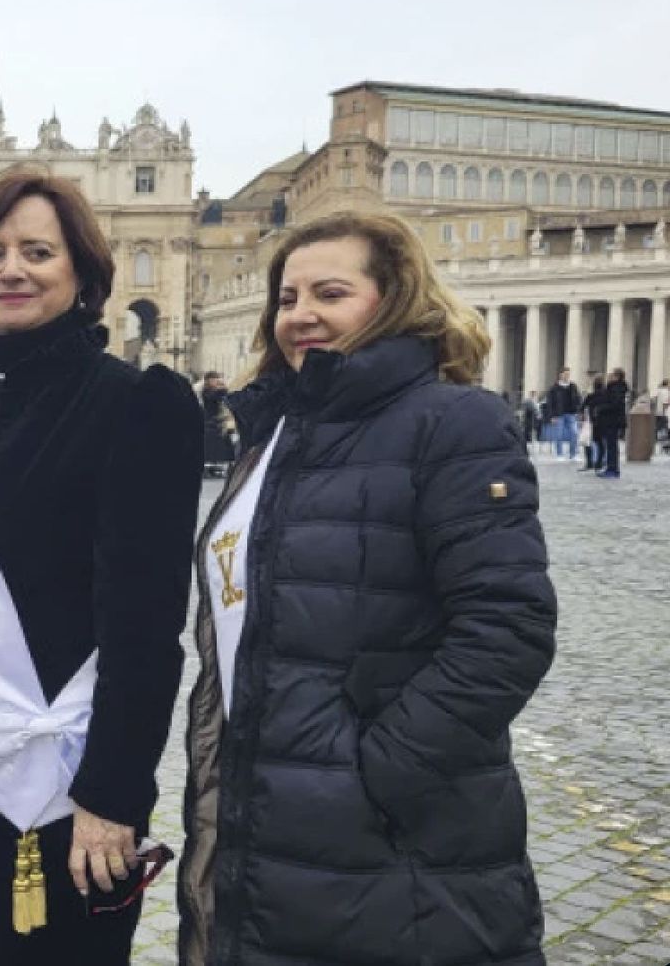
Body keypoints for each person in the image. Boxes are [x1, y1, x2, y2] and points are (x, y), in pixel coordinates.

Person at [178, 211, 556, 964]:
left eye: (331, 293)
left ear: (395, 299)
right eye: (287, 298)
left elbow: (508, 627)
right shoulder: (273, 434)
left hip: (386, 834)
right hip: (263, 811)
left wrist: (375, 774)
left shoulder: (454, 422)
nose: (301, 314)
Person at [0, 170, 200, 963]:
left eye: (37, 251)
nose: (11, 270)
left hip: (69, 774)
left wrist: (112, 793)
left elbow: (145, 626)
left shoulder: (140, 404)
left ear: (83, 272)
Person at [594, 367, 630, 478]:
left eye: (612, 375)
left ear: (617, 377)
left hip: (612, 420)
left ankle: (612, 469)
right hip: (612, 420)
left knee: (611, 446)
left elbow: (614, 404)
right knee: (611, 445)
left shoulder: (616, 388)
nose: (609, 377)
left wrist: (601, 408)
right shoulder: (616, 387)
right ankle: (611, 468)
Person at [199, 371, 236, 476]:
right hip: (210, 421)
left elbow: (226, 397)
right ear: (209, 381)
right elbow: (218, 395)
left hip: (218, 420)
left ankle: (221, 464)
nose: (216, 381)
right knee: (214, 444)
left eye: (217, 378)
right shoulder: (207, 391)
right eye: (214, 379)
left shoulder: (216, 391)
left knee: (223, 443)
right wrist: (223, 387)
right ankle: (211, 465)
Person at [545, 367, 582, 459]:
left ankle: (573, 454)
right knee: (559, 434)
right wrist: (551, 416)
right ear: (560, 375)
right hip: (558, 414)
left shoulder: (573, 386)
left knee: (574, 433)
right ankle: (559, 454)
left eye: (568, 374)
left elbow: (578, 398)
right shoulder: (554, 388)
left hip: (571, 413)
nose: (567, 376)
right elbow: (550, 403)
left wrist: (578, 410)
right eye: (565, 374)